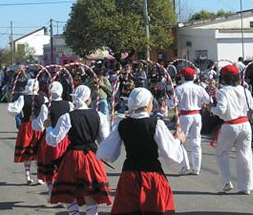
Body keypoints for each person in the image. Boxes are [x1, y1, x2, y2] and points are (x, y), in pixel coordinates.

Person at [97, 87, 186, 215]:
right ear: (148, 104)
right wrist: (178, 140)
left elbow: (107, 153)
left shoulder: (122, 124)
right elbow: (171, 155)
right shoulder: (156, 124)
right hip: (152, 176)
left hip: (129, 176)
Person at [46, 84, 111, 215]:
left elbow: (53, 140)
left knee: (67, 190)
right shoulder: (99, 116)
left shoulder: (67, 117)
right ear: (88, 99)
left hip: (73, 157)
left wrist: (48, 127)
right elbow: (104, 141)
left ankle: (74, 213)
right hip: (91, 156)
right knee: (89, 191)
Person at [210, 64, 253, 194]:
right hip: (245, 124)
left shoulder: (224, 91)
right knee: (245, 154)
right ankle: (246, 186)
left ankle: (226, 181)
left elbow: (221, 110)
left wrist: (212, 109)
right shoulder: (245, 90)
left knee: (221, 153)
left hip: (230, 125)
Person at [33, 81, 72, 198]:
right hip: (65, 140)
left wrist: (34, 121)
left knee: (49, 167)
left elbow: (39, 126)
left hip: (49, 140)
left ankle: (51, 192)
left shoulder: (46, 106)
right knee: (62, 167)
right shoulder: (69, 105)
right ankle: (62, 192)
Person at [174, 66, 211, 175]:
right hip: (196, 115)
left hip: (185, 116)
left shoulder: (179, 88)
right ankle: (196, 168)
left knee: (181, 141)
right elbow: (208, 100)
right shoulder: (199, 88)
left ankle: (185, 166)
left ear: (183, 77)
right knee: (196, 141)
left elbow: (173, 103)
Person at [7, 78, 45, 184]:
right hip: (38, 126)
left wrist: (11, 104)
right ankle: (38, 176)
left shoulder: (23, 98)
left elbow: (14, 110)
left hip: (28, 126)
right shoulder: (43, 98)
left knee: (31, 151)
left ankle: (29, 175)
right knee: (38, 151)